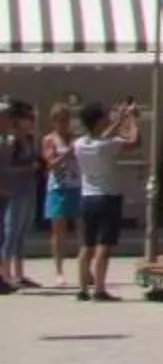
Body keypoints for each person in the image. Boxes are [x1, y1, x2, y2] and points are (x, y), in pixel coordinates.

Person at [72, 100, 141, 302]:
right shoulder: (108, 146)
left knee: (87, 245)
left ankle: (83, 289)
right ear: (97, 121)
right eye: (103, 117)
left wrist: (119, 120)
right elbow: (134, 141)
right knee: (104, 245)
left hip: (87, 198)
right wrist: (133, 120)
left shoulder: (79, 144)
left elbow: (100, 136)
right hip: (107, 198)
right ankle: (100, 289)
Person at [0, 102, 41, 290]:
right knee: (11, 232)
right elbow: (8, 168)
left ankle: (19, 273)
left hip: (28, 188)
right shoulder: (11, 142)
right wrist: (28, 168)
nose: (30, 121)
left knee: (22, 233)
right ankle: (5, 273)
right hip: (14, 190)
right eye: (26, 118)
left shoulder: (29, 139)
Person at [41, 102, 82, 282]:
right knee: (59, 231)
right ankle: (59, 270)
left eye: (67, 120)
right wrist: (67, 154)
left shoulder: (75, 138)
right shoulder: (49, 139)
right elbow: (50, 163)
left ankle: (85, 268)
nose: (65, 124)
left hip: (77, 185)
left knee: (83, 229)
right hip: (58, 187)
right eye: (61, 120)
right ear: (54, 122)